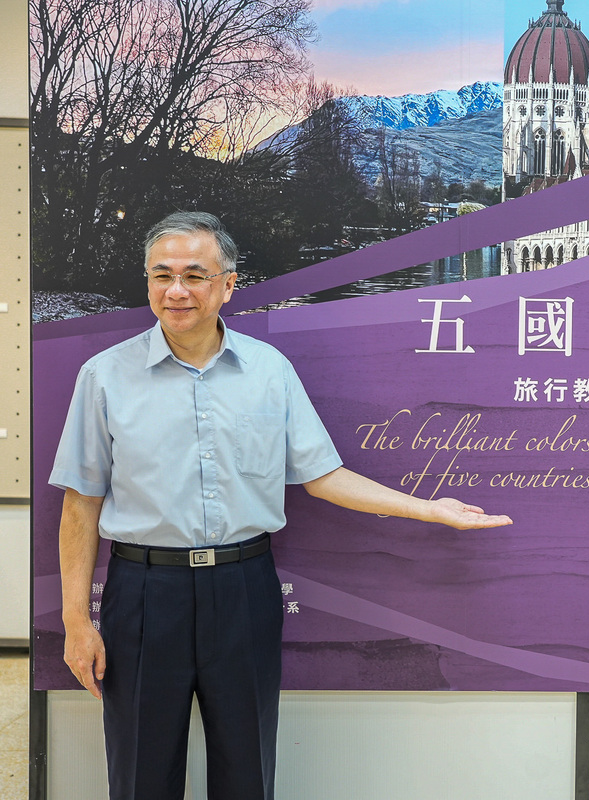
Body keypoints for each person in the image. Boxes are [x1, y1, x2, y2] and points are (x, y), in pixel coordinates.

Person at [50, 211, 513, 800]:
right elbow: (79, 507)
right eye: (160, 275)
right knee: (140, 772)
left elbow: (324, 476)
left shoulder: (269, 372)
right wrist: (75, 623)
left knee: (247, 770)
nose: (176, 290)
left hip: (244, 589)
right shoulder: (104, 377)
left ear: (228, 284)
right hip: (143, 594)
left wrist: (427, 508)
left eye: (195, 274)